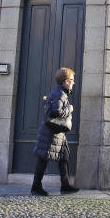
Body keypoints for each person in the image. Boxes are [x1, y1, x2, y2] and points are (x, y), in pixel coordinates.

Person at [31, 66, 79, 196]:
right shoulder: (60, 94)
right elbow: (56, 111)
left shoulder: (60, 92)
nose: (73, 82)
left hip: (58, 133)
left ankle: (65, 185)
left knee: (64, 157)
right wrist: (70, 109)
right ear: (66, 81)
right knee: (43, 158)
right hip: (51, 132)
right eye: (72, 80)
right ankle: (36, 187)